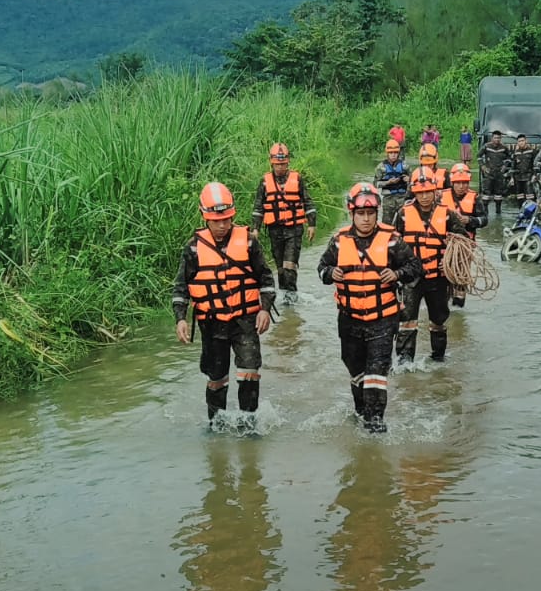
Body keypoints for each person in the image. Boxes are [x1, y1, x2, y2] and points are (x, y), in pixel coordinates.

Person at [317, 182, 421, 433]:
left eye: (370, 213)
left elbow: (416, 268)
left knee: (377, 371)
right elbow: (321, 268)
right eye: (361, 214)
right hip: (349, 318)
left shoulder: (393, 241)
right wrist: (331, 272)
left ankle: (375, 422)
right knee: (355, 368)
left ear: (377, 213)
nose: (366, 219)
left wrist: (396, 274)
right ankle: (361, 410)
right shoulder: (339, 242)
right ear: (351, 213)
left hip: (382, 319)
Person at [172, 182, 275, 429]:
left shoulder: (249, 243)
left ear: (233, 215)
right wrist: (181, 319)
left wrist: (264, 309)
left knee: (249, 372)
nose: (222, 225)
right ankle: (216, 426)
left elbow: (266, 280)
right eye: (216, 220)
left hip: (245, 320)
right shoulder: (193, 249)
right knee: (217, 379)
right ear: (204, 217)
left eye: (227, 219)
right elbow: (181, 288)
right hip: (212, 324)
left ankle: (248, 425)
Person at [395, 165, 468, 364]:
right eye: (420, 192)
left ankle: (438, 360)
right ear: (414, 192)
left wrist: (450, 264)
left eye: (428, 191)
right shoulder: (402, 214)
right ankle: (404, 363)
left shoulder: (448, 215)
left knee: (438, 321)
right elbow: (392, 247)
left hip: (438, 278)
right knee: (407, 321)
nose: (425, 196)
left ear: (435, 190)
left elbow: (463, 244)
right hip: (412, 279)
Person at [250, 142, 315, 306]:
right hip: (275, 230)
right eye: (277, 164)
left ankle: (291, 297)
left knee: (289, 265)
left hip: (294, 229)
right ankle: (284, 297)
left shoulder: (297, 179)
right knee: (279, 267)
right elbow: (258, 207)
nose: (280, 167)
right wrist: (255, 229)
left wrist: (312, 225)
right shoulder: (264, 182)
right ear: (271, 162)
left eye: (283, 164)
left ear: (288, 163)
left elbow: (308, 202)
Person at [438, 162, 487, 308]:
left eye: (464, 183)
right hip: (444, 243)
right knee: (444, 274)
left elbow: (484, 220)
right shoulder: (441, 196)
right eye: (458, 183)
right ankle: (442, 305)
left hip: (465, 245)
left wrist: (469, 220)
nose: (461, 186)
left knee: (461, 277)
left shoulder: (475, 198)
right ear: (452, 182)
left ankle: (458, 311)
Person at [374, 137, 410, 225]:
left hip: (403, 199)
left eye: (395, 153)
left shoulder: (405, 166)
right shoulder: (381, 167)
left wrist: (409, 180)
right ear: (387, 153)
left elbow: (414, 183)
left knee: (405, 224)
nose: (393, 155)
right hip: (388, 200)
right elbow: (375, 184)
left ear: (398, 153)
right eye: (391, 153)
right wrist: (388, 182)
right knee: (386, 225)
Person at [477, 129, 511, 217]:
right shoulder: (486, 146)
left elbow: (509, 158)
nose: (497, 140)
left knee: (498, 194)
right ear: (492, 138)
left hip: (499, 174)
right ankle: (485, 212)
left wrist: (504, 167)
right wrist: (483, 166)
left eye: (499, 138)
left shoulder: (504, 147)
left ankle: (498, 212)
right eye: (495, 138)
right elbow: (478, 156)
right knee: (486, 194)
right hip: (489, 173)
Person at [510, 133, 537, 208]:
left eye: (522, 141)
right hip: (518, 177)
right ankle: (521, 211)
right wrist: (512, 178)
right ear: (517, 143)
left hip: (529, 177)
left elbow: (535, 165)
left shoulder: (532, 151)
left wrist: (534, 175)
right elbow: (513, 166)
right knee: (519, 196)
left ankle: (531, 213)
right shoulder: (516, 152)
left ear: (526, 141)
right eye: (519, 141)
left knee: (530, 196)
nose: (521, 142)